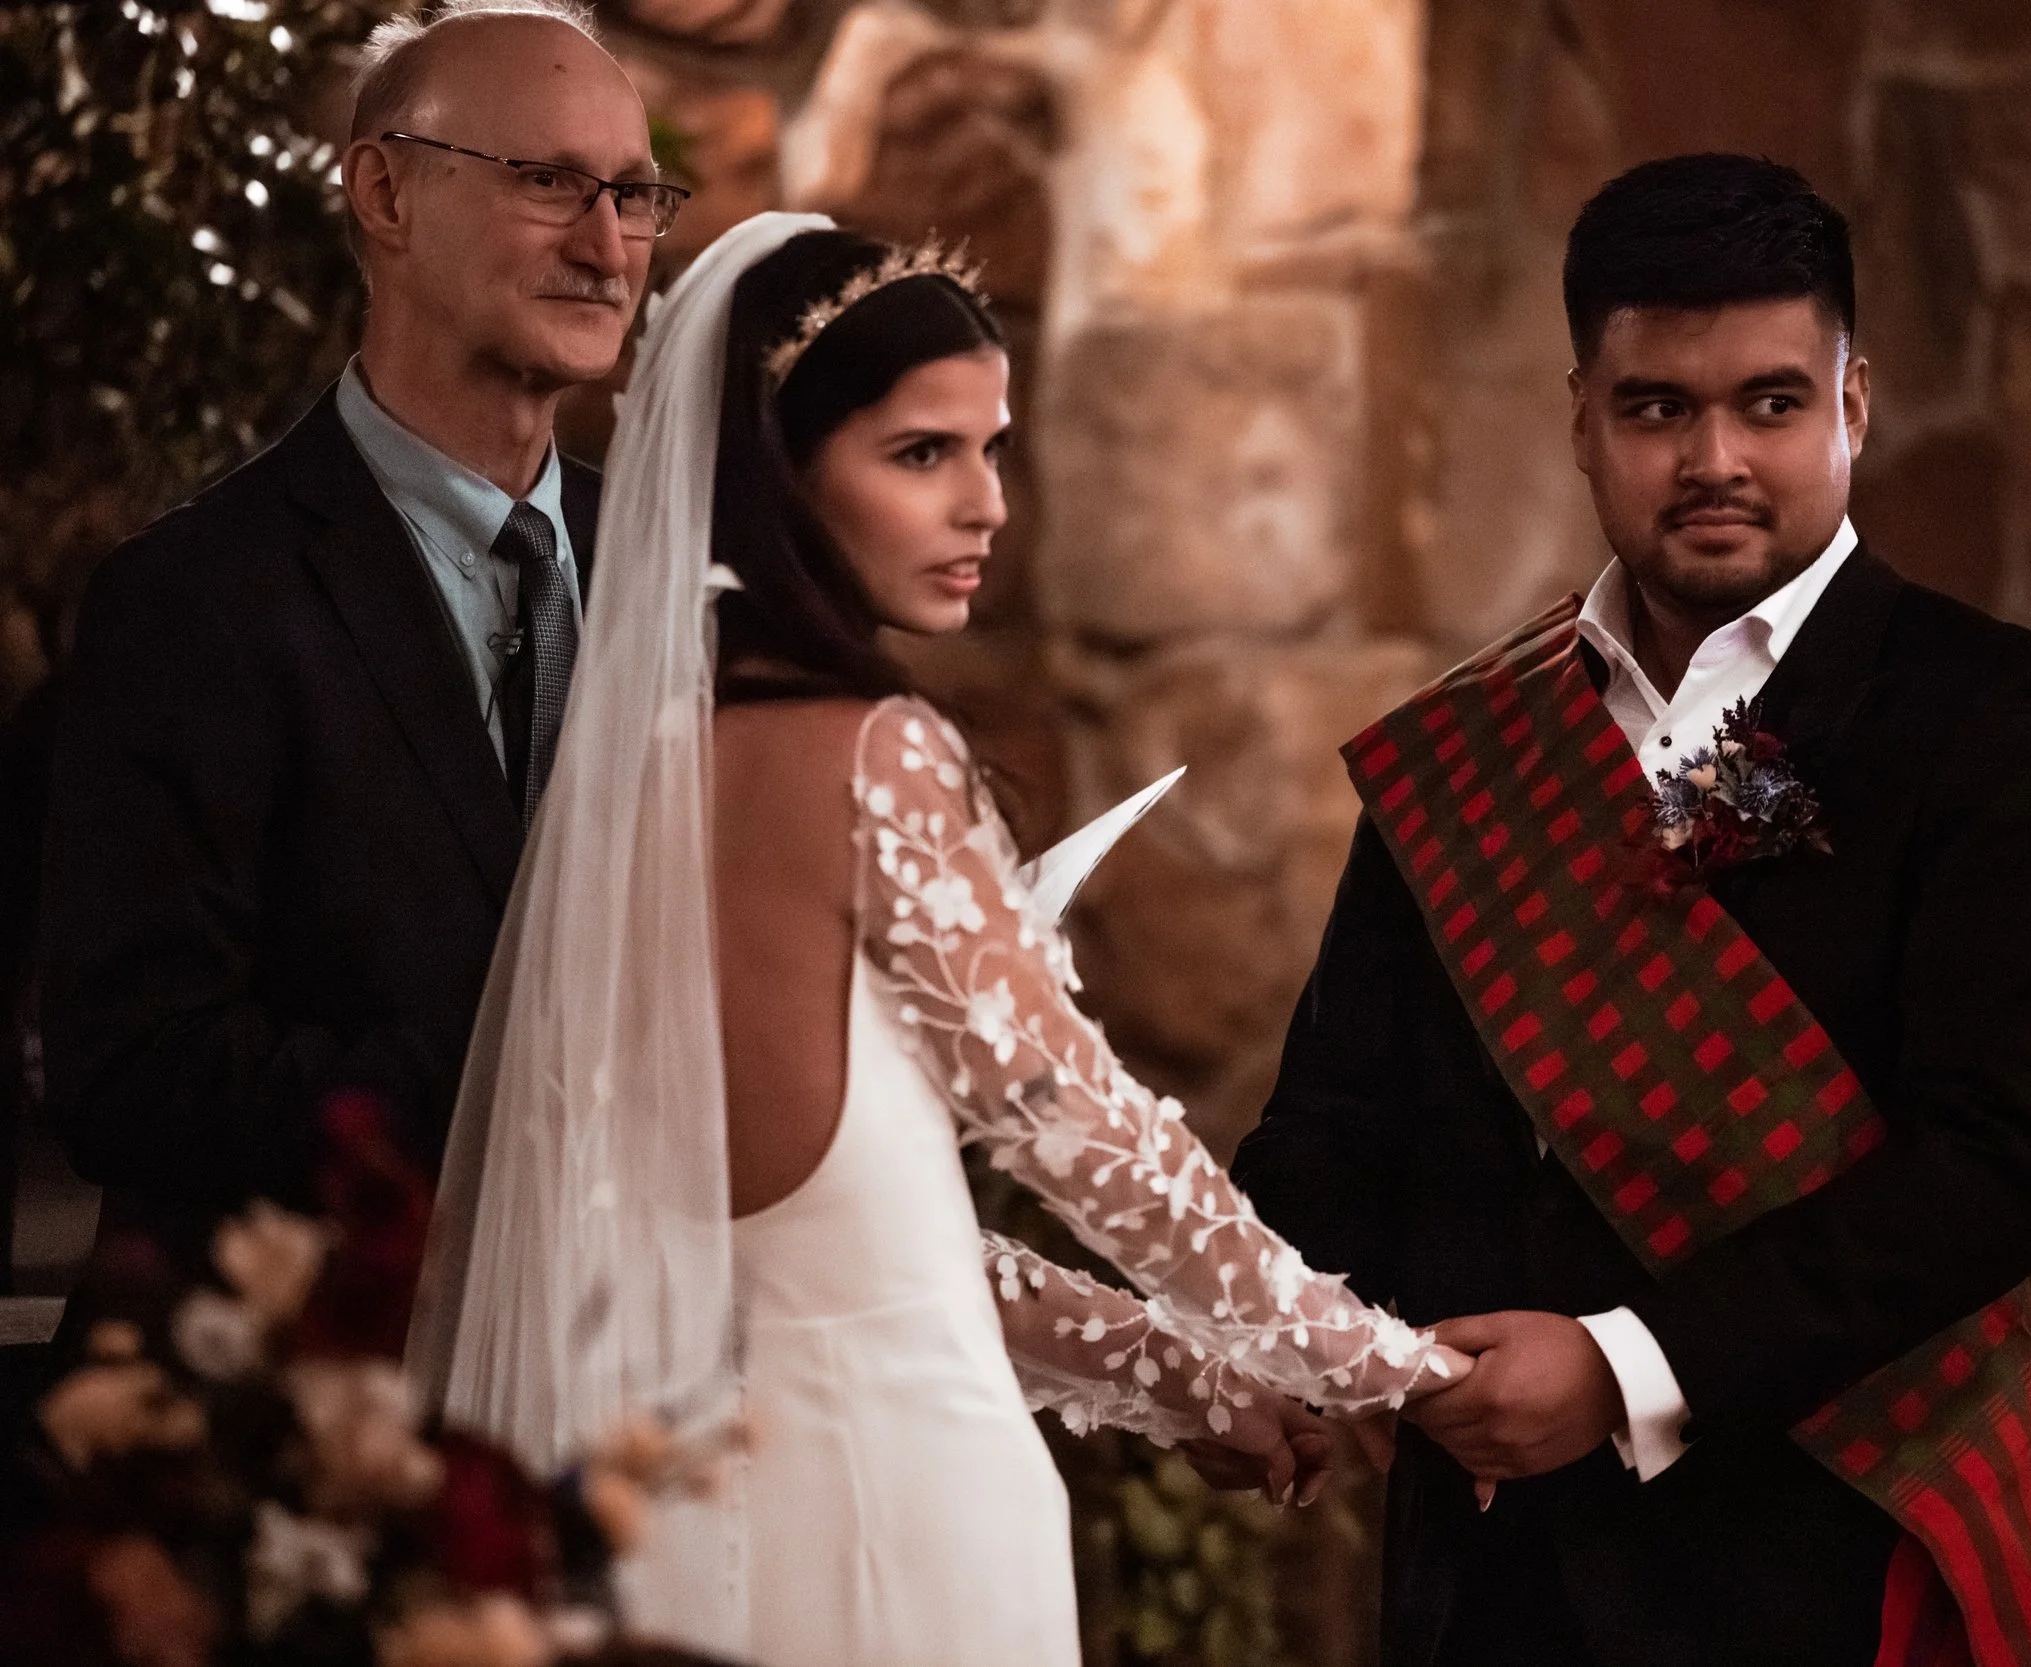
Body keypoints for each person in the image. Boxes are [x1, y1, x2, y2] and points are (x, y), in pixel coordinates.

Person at [405, 217, 1469, 1667]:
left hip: (686, 1520)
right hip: (897, 1505)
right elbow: (1088, 1138)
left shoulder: (631, 787)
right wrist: (1396, 1369)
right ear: (777, 474)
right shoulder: (876, 755)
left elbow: (857, 1248)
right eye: (921, 454)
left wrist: (1182, 1373)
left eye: (992, 448)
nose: (986, 506)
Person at [1232, 155, 2031, 1667]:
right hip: (1481, 1581)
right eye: (1657, 407)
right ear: (1581, 418)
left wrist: (1623, 1367)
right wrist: (1277, 1333)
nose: (1713, 457)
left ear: (1855, 405)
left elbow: (2001, 1163)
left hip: (1819, 1559)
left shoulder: (2006, 723)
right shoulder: (1470, 742)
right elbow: (1333, 1120)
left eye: (1771, 403)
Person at [39, 0, 672, 1275]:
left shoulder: (678, 574)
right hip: (317, 1361)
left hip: (622, 1352)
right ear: (384, 194)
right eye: (550, 182)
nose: (607, 245)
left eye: (636, 195)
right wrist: (533, 1075)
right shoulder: (190, 600)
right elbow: (133, 1075)